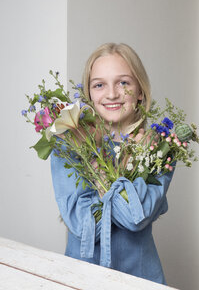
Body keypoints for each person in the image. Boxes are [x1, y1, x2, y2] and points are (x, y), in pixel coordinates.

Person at [51, 43, 175, 285]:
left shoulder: (159, 148)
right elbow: (81, 225)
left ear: (140, 90)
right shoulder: (67, 146)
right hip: (80, 278)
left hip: (140, 279)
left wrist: (96, 165)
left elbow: (134, 218)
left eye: (123, 83)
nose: (111, 94)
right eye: (99, 85)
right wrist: (91, 150)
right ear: (88, 93)